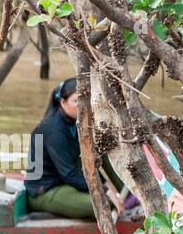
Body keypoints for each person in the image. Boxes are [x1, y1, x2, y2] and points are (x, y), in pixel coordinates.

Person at [26, 77, 126, 219]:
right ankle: (119, 200)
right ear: (63, 102)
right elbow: (70, 174)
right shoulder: (54, 131)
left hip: (68, 184)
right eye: (76, 101)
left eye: (85, 99)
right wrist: (104, 190)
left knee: (103, 144)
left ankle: (130, 195)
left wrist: (105, 187)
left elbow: (90, 161)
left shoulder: (76, 123)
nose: (82, 105)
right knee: (105, 204)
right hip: (46, 191)